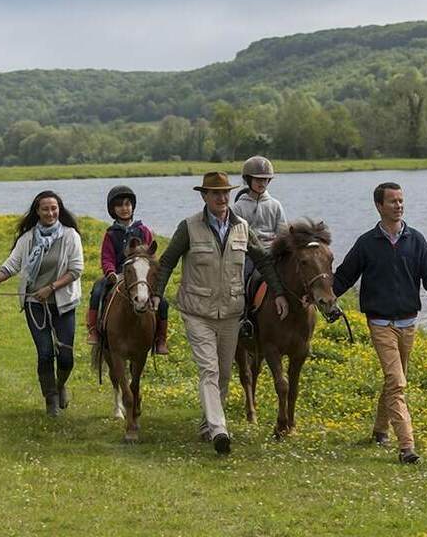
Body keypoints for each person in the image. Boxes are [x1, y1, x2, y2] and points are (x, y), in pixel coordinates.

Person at [153, 172, 289, 455]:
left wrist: (278, 293)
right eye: (215, 193)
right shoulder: (188, 227)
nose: (221, 198)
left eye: (225, 193)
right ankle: (219, 429)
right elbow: (167, 262)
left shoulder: (241, 226)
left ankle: (208, 424)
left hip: (230, 312)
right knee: (209, 370)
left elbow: (263, 260)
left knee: (224, 373)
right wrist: (156, 294)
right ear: (204, 196)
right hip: (197, 311)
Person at [332, 182, 427, 464]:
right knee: (397, 382)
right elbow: (344, 276)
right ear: (379, 206)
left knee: (393, 381)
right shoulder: (366, 243)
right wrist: (322, 298)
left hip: (408, 324)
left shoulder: (416, 240)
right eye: (392, 202)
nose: (399, 206)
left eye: (401, 201)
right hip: (380, 323)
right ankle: (407, 446)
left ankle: (379, 429)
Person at [0, 191, 83, 417]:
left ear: (60, 209)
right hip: (34, 304)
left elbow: (76, 270)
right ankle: (51, 400)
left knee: (65, 356)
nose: (50, 213)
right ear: (37, 211)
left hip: (63, 303)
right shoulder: (27, 239)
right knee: (45, 353)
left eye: (54, 208)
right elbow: (10, 266)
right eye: (45, 209)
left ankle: (60, 384)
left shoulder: (70, 236)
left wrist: (51, 288)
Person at [86, 185, 169, 354]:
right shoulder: (111, 234)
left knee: (163, 303)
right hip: (117, 275)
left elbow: (151, 256)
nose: (124, 209)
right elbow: (107, 257)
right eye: (119, 205)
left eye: (127, 204)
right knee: (97, 291)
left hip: (140, 276)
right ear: (113, 209)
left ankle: (161, 339)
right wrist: (110, 273)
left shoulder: (143, 230)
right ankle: (94, 330)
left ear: (132, 206)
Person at [231, 155, 287, 337]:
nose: (262, 183)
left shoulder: (275, 205)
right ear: (248, 179)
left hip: (273, 252)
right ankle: (245, 318)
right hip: (250, 254)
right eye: (258, 179)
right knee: (246, 279)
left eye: (265, 180)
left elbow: (282, 232)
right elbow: (238, 234)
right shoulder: (239, 207)